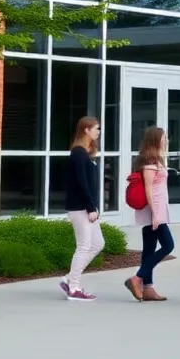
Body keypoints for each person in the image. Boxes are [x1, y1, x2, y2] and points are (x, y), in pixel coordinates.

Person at [125, 126, 172, 302]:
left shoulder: (155, 159)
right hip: (154, 211)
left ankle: (148, 288)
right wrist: (155, 214)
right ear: (155, 140)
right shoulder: (150, 161)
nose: (166, 140)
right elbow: (148, 189)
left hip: (156, 210)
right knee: (168, 245)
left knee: (149, 248)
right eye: (163, 137)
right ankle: (137, 278)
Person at [61, 116, 105, 302]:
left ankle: (70, 279)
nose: (98, 132)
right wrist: (90, 206)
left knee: (97, 244)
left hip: (87, 207)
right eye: (96, 128)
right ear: (86, 130)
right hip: (80, 207)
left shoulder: (86, 153)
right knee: (84, 246)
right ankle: (74, 288)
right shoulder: (78, 153)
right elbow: (82, 182)